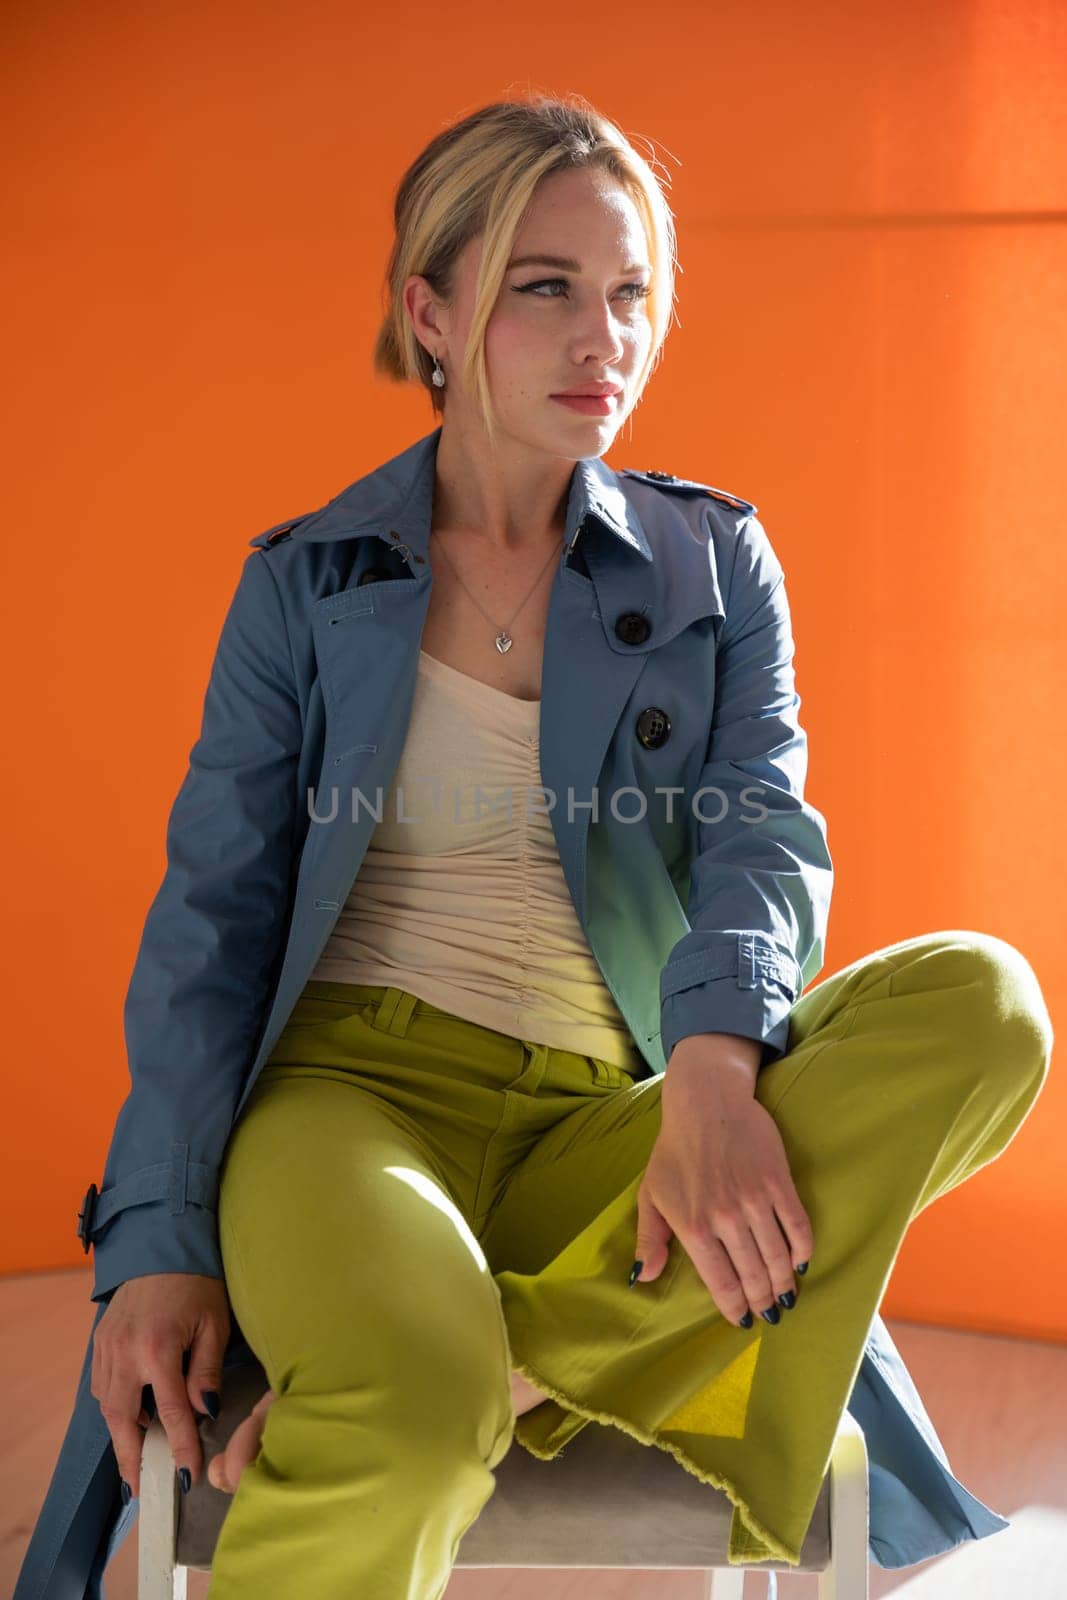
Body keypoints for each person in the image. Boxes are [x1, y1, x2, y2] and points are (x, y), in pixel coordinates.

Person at [15, 93, 1053, 1600]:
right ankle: (491, 1375)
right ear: (431, 312)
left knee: (988, 1005)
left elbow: (767, 831)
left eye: (631, 292)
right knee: (414, 1425)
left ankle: (503, 1367)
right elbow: (211, 923)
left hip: (611, 1126)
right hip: (350, 1110)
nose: (602, 338)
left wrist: (710, 1072)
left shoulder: (712, 561)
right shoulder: (308, 588)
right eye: (546, 287)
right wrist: (159, 1241)